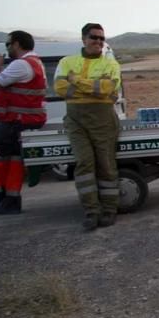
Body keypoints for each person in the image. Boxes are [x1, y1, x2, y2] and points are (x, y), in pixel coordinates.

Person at [54, 23, 122, 230]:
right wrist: (93, 87)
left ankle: (109, 211)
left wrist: (76, 81)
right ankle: (91, 211)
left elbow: (109, 88)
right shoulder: (67, 62)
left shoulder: (111, 64)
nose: (98, 42)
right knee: (84, 164)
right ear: (83, 39)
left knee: (106, 165)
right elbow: (60, 88)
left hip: (103, 121)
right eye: (94, 37)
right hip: (76, 122)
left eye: (102, 38)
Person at [0, 30, 46, 215]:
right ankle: (10, 202)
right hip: (21, 121)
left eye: (8, 44)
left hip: (15, 122)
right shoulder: (34, 62)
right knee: (13, 160)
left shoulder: (22, 64)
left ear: (17, 44)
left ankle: (2, 199)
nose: (7, 48)